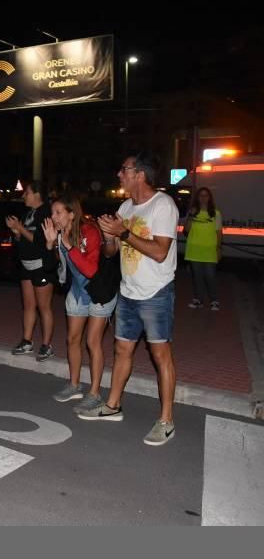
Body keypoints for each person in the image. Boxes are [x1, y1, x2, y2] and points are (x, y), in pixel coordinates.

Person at [82, 151, 179, 447]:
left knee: (160, 355)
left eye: (124, 170)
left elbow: (161, 252)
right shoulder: (126, 206)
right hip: (128, 292)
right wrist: (108, 235)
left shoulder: (163, 205)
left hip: (155, 293)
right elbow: (112, 253)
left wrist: (123, 232)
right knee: (122, 350)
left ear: (140, 174)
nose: (119, 174)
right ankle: (112, 406)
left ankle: (166, 421)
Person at [42, 195, 117, 414]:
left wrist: (67, 245)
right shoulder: (57, 234)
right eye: (52, 212)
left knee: (92, 341)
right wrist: (49, 244)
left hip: (100, 290)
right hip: (77, 291)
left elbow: (92, 270)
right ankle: (74, 385)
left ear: (71, 214)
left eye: (58, 212)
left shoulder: (90, 232)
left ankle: (94, 394)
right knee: (72, 339)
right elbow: (51, 269)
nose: (53, 217)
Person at [6, 181, 56, 362]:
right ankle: (27, 341)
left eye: (26, 192)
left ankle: (46, 345)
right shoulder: (27, 213)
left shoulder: (47, 213)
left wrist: (20, 228)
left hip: (42, 265)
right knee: (28, 305)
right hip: (26, 265)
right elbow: (23, 239)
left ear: (36, 195)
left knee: (44, 307)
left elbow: (41, 241)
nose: (23, 196)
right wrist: (16, 231)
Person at [184, 187, 222, 311]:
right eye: (201, 195)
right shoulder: (192, 211)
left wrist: (219, 248)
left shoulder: (216, 213)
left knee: (210, 275)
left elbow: (219, 233)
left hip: (209, 249)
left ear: (210, 198)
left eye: (206, 195)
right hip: (194, 248)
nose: (203, 198)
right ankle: (198, 300)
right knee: (197, 276)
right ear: (197, 197)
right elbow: (186, 231)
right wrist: (190, 215)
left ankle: (214, 300)